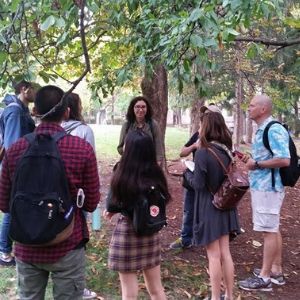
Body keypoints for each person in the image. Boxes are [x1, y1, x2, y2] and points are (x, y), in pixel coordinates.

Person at [0, 85, 100, 299]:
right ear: (66, 112)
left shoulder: (16, 149)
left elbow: (3, 203)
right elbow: (91, 202)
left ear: (35, 111)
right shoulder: (81, 149)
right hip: (67, 243)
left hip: (26, 247)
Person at [104, 130, 171, 300]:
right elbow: (164, 198)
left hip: (128, 232)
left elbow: (112, 203)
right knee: (156, 289)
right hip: (150, 231)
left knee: (129, 293)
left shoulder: (122, 170)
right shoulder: (156, 172)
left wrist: (112, 211)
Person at [184, 111, 240, 300]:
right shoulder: (226, 150)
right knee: (226, 253)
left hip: (209, 207)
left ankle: (216, 297)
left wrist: (186, 172)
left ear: (206, 127)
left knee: (214, 256)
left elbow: (198, 185)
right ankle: (230, 295)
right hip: (226, 205)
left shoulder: (202, 153)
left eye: (201, 126)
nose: (199, 129)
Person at [238, 94, 290, 291]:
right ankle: (276, 271)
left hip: (269, 188)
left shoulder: (273, 128)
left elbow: (284, 159)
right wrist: (253, 161)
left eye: (251, 106)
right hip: (262, 186)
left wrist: (257, 164)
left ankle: (265, 278)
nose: (248, 108)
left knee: (268, 231)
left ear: (263, 109)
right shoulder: (261, 129)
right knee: (272, 228)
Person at [169, 104, 223, 250]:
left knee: (213, 210)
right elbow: (182, 152)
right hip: (194, 179)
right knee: (189, 209)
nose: (204, 117)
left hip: (213, 183)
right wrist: (194, 146)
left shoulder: (223, 138)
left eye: (208, 115)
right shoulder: (198, 134)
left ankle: (213, 239)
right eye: (204, 115)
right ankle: (186, 239)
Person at [61, 92, 97, 300]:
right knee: (76, 240)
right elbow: (90, 163)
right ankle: (77, 285)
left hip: (54, 193)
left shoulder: (51, 130)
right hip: (77, 195)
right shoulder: (84, 131)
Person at [0, 80, 36, 266]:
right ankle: (4, 252)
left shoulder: (22, 109)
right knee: (11, 209)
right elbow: (13, 146)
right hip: (15, 169)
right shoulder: (14, 111)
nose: (36, 93)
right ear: (24, 89)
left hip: (21, 168)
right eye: (34, 89)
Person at [117, 96, 163, 164]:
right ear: (132, 108)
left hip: (148, 164)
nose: (140, 110)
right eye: (137, 107)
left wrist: (156, 166)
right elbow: (120, 148)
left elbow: (159, 149)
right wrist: (126, 150)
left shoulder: (153, 125)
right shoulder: (126, 125)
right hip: (130, 164)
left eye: (143, 107)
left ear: (147, 109)